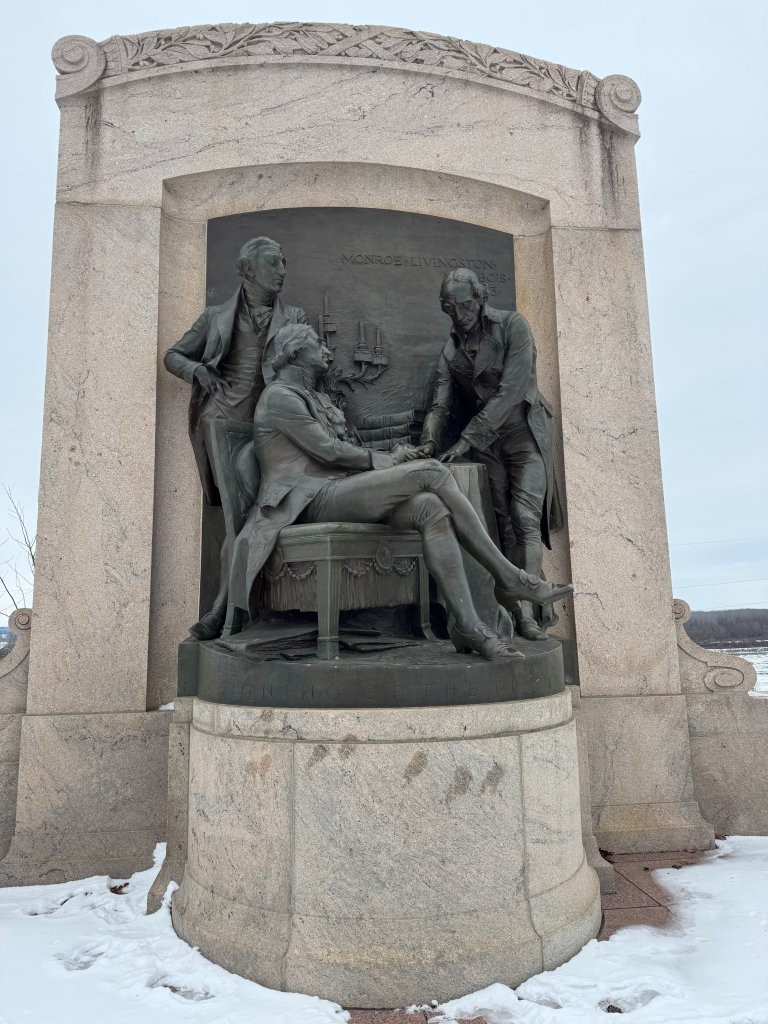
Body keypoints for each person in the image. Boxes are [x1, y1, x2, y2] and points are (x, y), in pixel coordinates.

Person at [229, 323, 572, 662]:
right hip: (310, 499)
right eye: (318, 344)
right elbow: (328, 451)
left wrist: (396, 454)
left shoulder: (313, 396)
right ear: (296, 352)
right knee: (433, 473)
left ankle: (469, 626)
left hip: (339, 489)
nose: (328, 350)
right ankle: (509, 577)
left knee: (430, 508)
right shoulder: (279, 397)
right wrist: (388, 460)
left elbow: (346, 447)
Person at [164, 237, 308, 639]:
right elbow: (173, 355)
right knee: (236, 520)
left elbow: (310, 366)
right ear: (248, 270)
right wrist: (198, 371)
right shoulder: (214, 317)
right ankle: (225, 609)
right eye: (274, 262)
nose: (282, 270)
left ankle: (250, 607)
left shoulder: (296, 316)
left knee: (267, 513)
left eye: (284, 262)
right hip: (224, 423)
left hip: (276, 428)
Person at [420, 268, 561, 641]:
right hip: (490, 448)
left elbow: (513, 388)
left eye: (465, 304)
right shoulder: (450, 351)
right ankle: (517, 611)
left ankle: (531, 615)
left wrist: (466, 440)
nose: (459, 313)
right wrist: (428, 445)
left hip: (523, 433)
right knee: (503, 526)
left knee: (525, 518)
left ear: (480, 298)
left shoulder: (514, 326)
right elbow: (439, 404)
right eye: (450, 307)